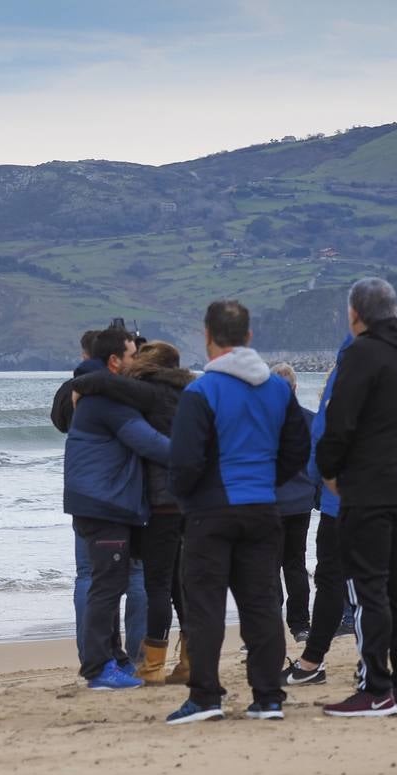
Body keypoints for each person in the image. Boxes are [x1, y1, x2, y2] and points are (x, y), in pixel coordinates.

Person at [165, 300, 309, 724]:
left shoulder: (201, 391)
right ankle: (268, 697)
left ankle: (206, 696)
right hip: (263, 509)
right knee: (262, 603)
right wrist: (269, 480)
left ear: (208, 338)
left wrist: (187, 500)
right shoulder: (279, 389)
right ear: (248, 337)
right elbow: (298, 449)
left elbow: (185, 461)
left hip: (211, 513)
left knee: (205, 606)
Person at [316, 277, 397, 717]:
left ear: (354, 314)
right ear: (395, 310)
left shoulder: (362, 352)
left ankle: (376, 688)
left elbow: (339, 421)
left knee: (368, 589)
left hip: (366, 487)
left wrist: (328, 470)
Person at [70, 340, 194, 684]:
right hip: (189, 497)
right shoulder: (192, 392)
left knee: (155, 584)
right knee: (180, 582)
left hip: (158, 502)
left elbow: (106, 384)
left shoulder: (147, 392)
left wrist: (79, 386)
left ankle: (150, 666)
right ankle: (189, 662)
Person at [52, 330, 149, 666]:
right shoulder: (121, 395)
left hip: (85, 497)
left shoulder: (76, 391)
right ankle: (131, 657)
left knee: (88, 577)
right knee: (134, 577)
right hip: (119, 497)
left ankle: (93, 654)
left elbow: (58, 420)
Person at [282, 342, 352, 687]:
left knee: (323, 577)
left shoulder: (336, 391)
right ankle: (300, 624)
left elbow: (318, 457)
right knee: (297, 565)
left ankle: (308, 656)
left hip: (328, 504)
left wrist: (322, 490)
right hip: (385, 499)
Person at [270, 363, 317, 643]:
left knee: (269, 566)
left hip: (270, 503)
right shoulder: (310, 420)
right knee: (295, 564)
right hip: (300, 501)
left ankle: (270, 625)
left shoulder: (261, 421)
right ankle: (300, 625)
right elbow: (319, 462)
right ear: (295, 388)